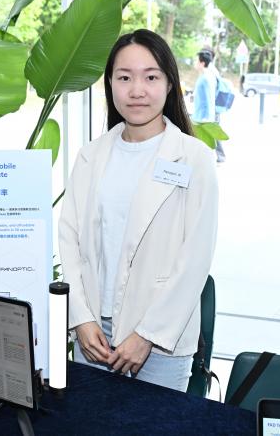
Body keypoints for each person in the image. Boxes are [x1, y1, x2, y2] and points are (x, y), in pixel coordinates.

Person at [58, 29, 219, 391]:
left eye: (151, 77)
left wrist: (146, 335)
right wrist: (81, 319)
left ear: (170, 85)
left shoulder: (194, 158)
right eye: (124, 77)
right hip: (94, 334)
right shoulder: (91, 155)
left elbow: (195, 259)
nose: (137, 90)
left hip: (161, 338)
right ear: (110, 85)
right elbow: (70, 243)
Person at [194, 49, 226, 162]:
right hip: (199, 116)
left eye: (196, 60)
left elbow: (209, 100)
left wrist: (207, 119)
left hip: (202, 118)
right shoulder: (206, 76)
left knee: (204, 144)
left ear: (202, 63)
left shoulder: (206, 78)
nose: (195, 63)